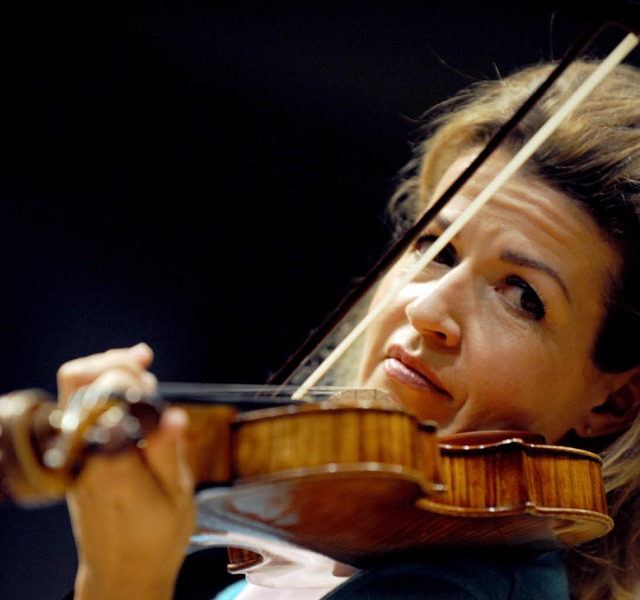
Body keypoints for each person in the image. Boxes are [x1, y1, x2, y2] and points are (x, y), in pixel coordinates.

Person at [49, 55, 640, 599]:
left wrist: (121, 578)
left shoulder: (447, 591)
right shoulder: (327, 555)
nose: (426, 310)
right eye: (435, 246)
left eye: (523, 296)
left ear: (614, 400)